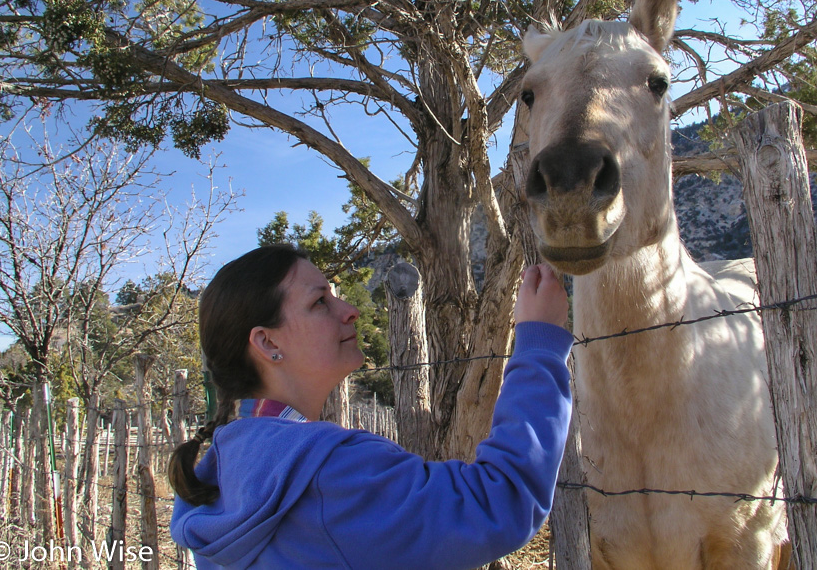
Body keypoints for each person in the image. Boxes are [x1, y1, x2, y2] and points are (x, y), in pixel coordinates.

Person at [169, 244, 573, 569]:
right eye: (320, 302)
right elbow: (499, 504)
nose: (350, 310)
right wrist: (539, 346)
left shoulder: (219, 476)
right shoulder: (329, 475)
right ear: (268, 343)